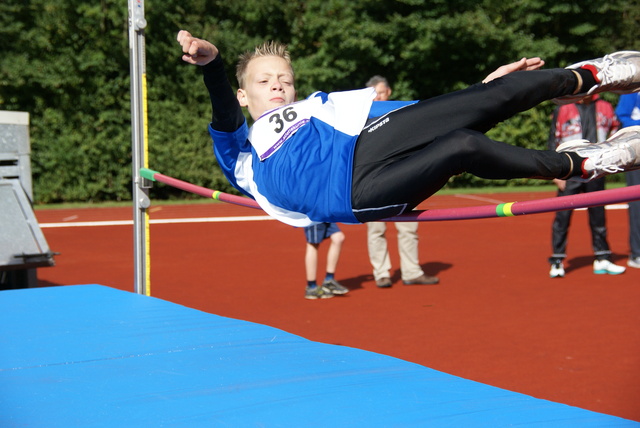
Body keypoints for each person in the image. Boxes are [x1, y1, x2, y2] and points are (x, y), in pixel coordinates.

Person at [176, 31, 640, 231]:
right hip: (353, 193)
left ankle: (591, 75)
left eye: (285, 79)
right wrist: (214, 64)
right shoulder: (241, 153)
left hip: (365, 143)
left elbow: (427, 111)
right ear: (244, 96)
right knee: (462, 145)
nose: (277, 84)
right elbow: (220, 110)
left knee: (485, 100)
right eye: (263, 81)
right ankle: (584, 162)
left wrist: (479, 90)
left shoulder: (320, 111)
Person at [364, 75, 438, 287]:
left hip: (401, 176)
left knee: (408, 227)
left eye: (380, 92)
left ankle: (411, 271)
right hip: (374, 179)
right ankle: (381, 273)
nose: (377, 97)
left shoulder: (401, 113)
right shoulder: (363, 116)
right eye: (372, 94)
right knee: (376, 228)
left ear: (389, 92)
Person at [547, 95, 626, 277]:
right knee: (563, 216)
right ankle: (557, 260)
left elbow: (617, 129)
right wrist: (555, 173)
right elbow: (553, 140)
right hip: (570, 171)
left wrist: (612, 154)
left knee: (598, 216)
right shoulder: (564, 108)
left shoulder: (605, 106)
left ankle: (602, 258)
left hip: (597, 169)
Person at [615, 93, 640, 268]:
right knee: (637, 204)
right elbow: (622, 115)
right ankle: (637, 252)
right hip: (637, 152)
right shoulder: (633, 90)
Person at [302, 222, 349, 299]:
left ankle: (329, 280)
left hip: (325, 212)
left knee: (338, 238)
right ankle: (311, 287)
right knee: (313, 244)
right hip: (314, 214)